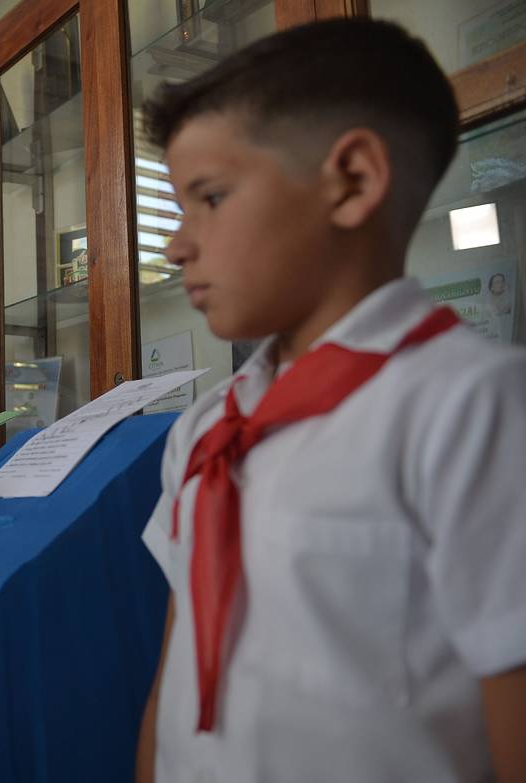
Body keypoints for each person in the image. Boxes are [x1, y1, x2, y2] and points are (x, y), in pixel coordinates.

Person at [133, 19, 526, 783]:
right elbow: (175, 680)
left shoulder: (472, 409)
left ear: (352, 181)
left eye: (209, 197)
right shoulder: (208, 428)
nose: (176, 245)